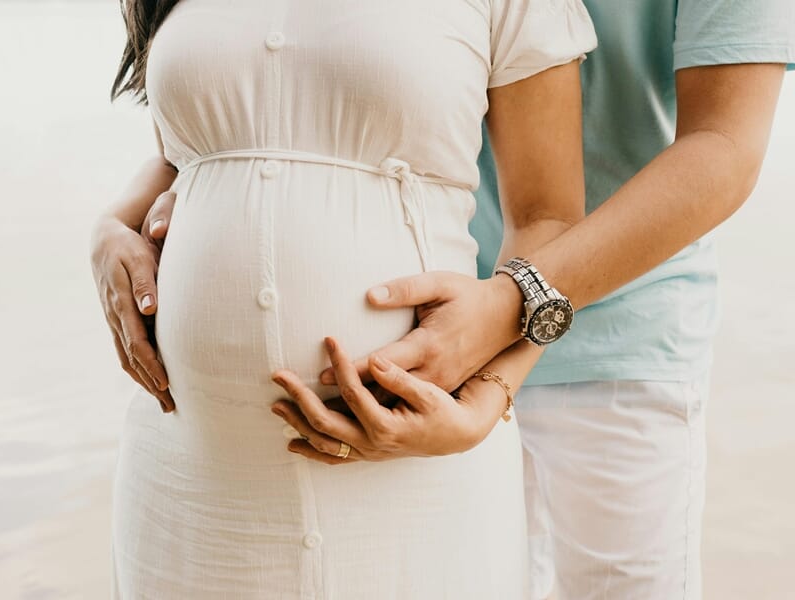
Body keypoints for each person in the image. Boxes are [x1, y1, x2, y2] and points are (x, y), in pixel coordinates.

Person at [102, 3, 795, 600]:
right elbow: (277, 92)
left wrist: (502, 335)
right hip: (428, 327)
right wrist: (115, 225)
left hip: (618, 334)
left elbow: (725, 145)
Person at [92, 0, 597, 597]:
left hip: (414, 478)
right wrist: (110, 229)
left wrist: (491, 395)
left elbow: (548, 221)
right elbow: (191, 155)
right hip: (192, 474)